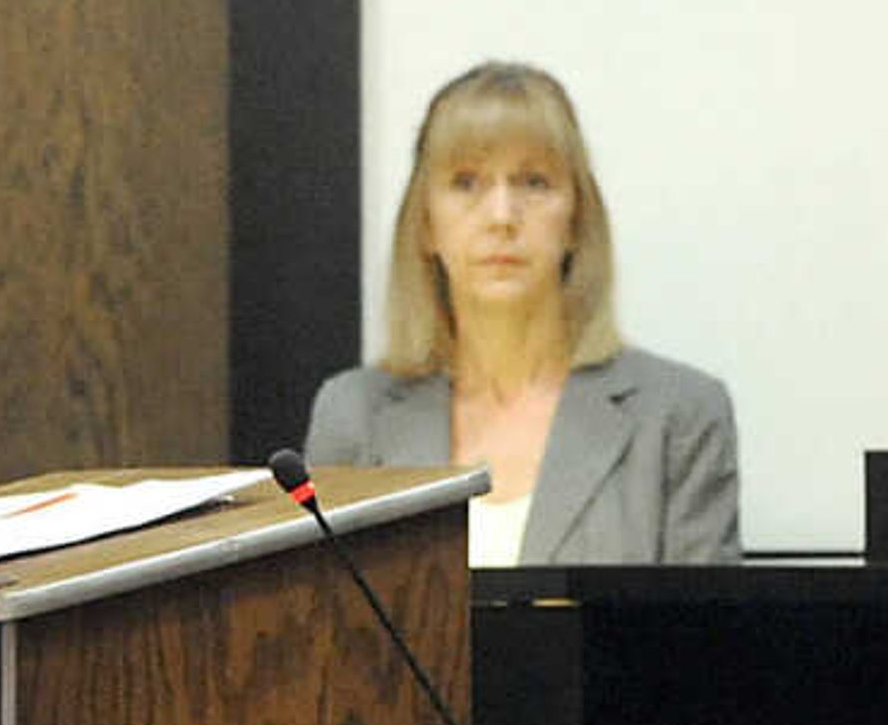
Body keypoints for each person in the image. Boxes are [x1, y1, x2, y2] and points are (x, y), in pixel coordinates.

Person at [304, 60, 742, 562]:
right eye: (466, 182)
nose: (502, 216)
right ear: (425, 224)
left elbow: (704, 639)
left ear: (577, 218)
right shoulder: (353, 415)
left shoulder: (679, 415)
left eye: (534, 182)